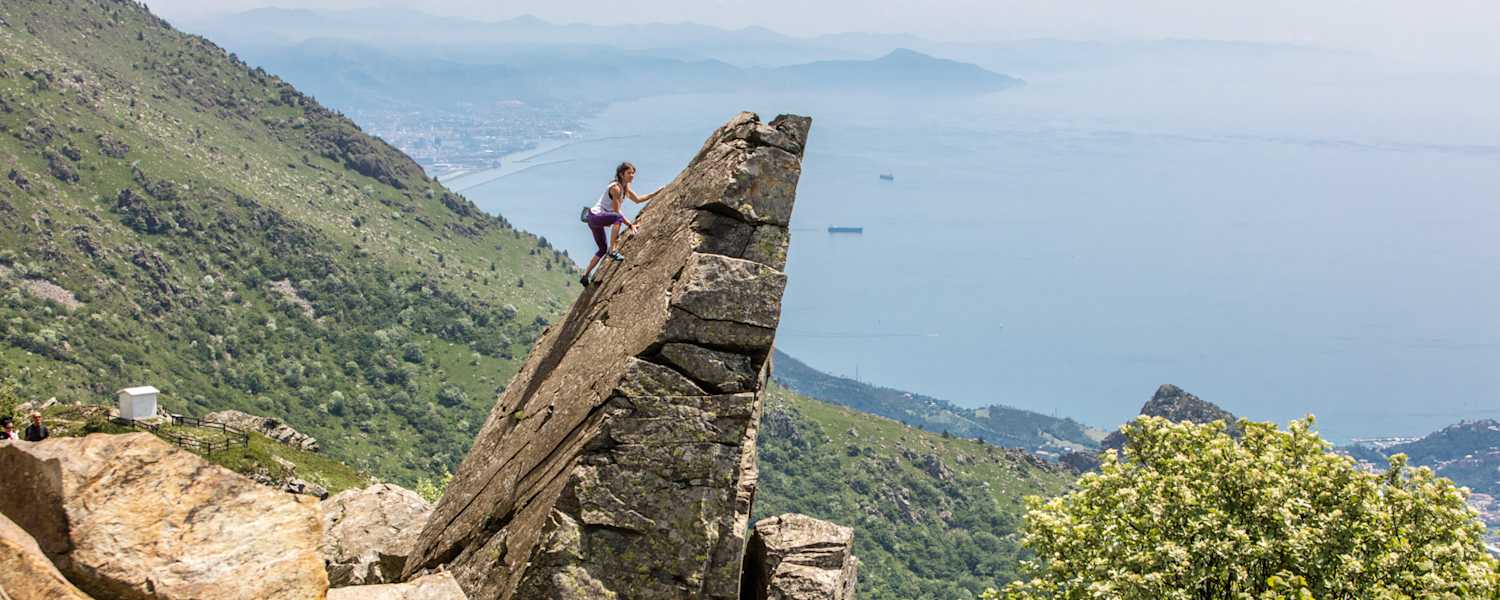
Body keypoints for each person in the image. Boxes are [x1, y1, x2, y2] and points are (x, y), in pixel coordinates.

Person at [580, 162, 657, 285]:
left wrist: (656, 194)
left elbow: (637, 200)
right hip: (595, 217)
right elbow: (616, 213)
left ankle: (585, 275)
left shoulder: (625, 187)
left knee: (601, 249)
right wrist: (630, 225)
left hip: (593, 220)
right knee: (617, 218)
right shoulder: (615, 188)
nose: (632, 175)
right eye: (629, 173)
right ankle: (613, 250)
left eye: (633, 173)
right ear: (621, 174)